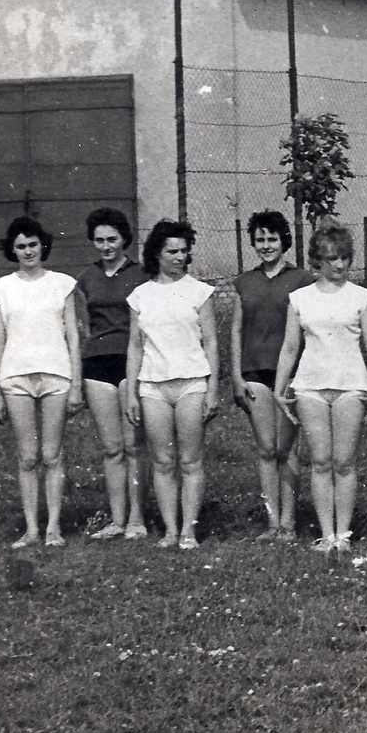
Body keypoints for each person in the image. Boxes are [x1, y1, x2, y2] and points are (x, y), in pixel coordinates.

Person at [272, 220, 367, 554]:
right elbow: (290, 348)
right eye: (331, 259)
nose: (339, 265)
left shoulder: (362, 298)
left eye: (344, 258)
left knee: (345, 462)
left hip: (351, 385)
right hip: (310, 386)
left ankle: (344, 535)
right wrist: (281, 390)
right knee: (320, 462)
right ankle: (326, 535)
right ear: (317, 261)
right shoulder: (299, 299)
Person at [124, 220, 220, 549]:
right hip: (153, 387)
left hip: (192, 383)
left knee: (190, 461)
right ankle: (169, 530)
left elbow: (210, 342)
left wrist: (213, 388)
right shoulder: (140, 296)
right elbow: (135, 347)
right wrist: (134, 394)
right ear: (157, 254)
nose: (180, 257)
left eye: (183, 251)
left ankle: (189, 532)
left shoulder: (199, 291)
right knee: (163, 462)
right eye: (172, 251)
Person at [0, 217, 83, 548]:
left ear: (43, 245)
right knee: (28, 457)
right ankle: (31, 529)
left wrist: (77, 385)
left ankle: (54, 528)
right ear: (12, 250)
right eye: (20, 246)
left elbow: (73, 336)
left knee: (52, 454)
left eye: (32, 244)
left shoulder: (63, 284)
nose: (28, 251)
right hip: (16, 378)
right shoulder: (2, 288)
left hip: (56, 375)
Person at [229, 211, 313, 540]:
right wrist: (236, 376)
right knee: (266, 449)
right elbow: (236, 332)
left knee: (286, 450)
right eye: (260, 240)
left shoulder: (302, 279)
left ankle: (289, 524)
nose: (266, 245)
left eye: (272, 239)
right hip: (254, 373)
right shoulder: (244, 282)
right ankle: (272, 522)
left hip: (289, 375)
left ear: (284, 241)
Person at [74, 207, 150, 540]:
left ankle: (137, 519)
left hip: (130, 363)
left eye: (112, 239)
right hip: (96, 365)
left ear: (124, 240)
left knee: (135, 446)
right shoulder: (86, 278)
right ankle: (117, 521)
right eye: (99, 240)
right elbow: (82, 326)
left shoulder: (142, 273)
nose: (106, 246)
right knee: (111, 449)